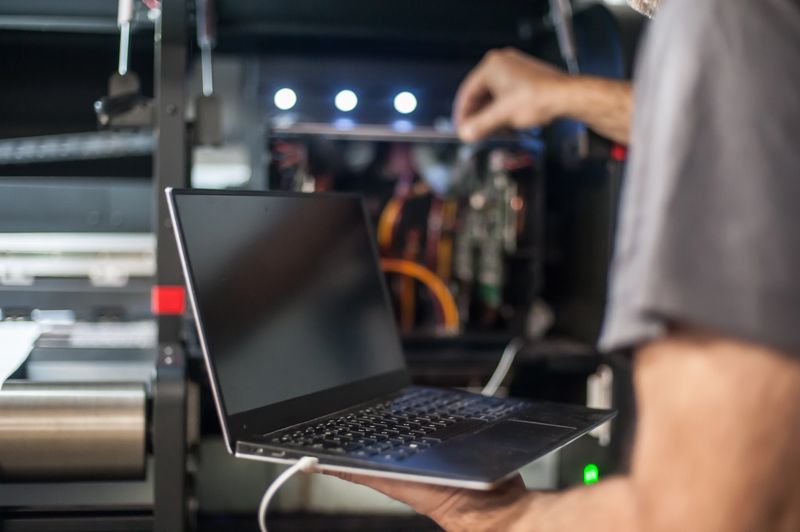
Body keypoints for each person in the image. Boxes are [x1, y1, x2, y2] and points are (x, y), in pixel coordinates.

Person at [329, 0, 800, 530]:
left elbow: (707, 516)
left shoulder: (726, 19)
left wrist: (491, 517)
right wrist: (564, 95)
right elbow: (745, 126)